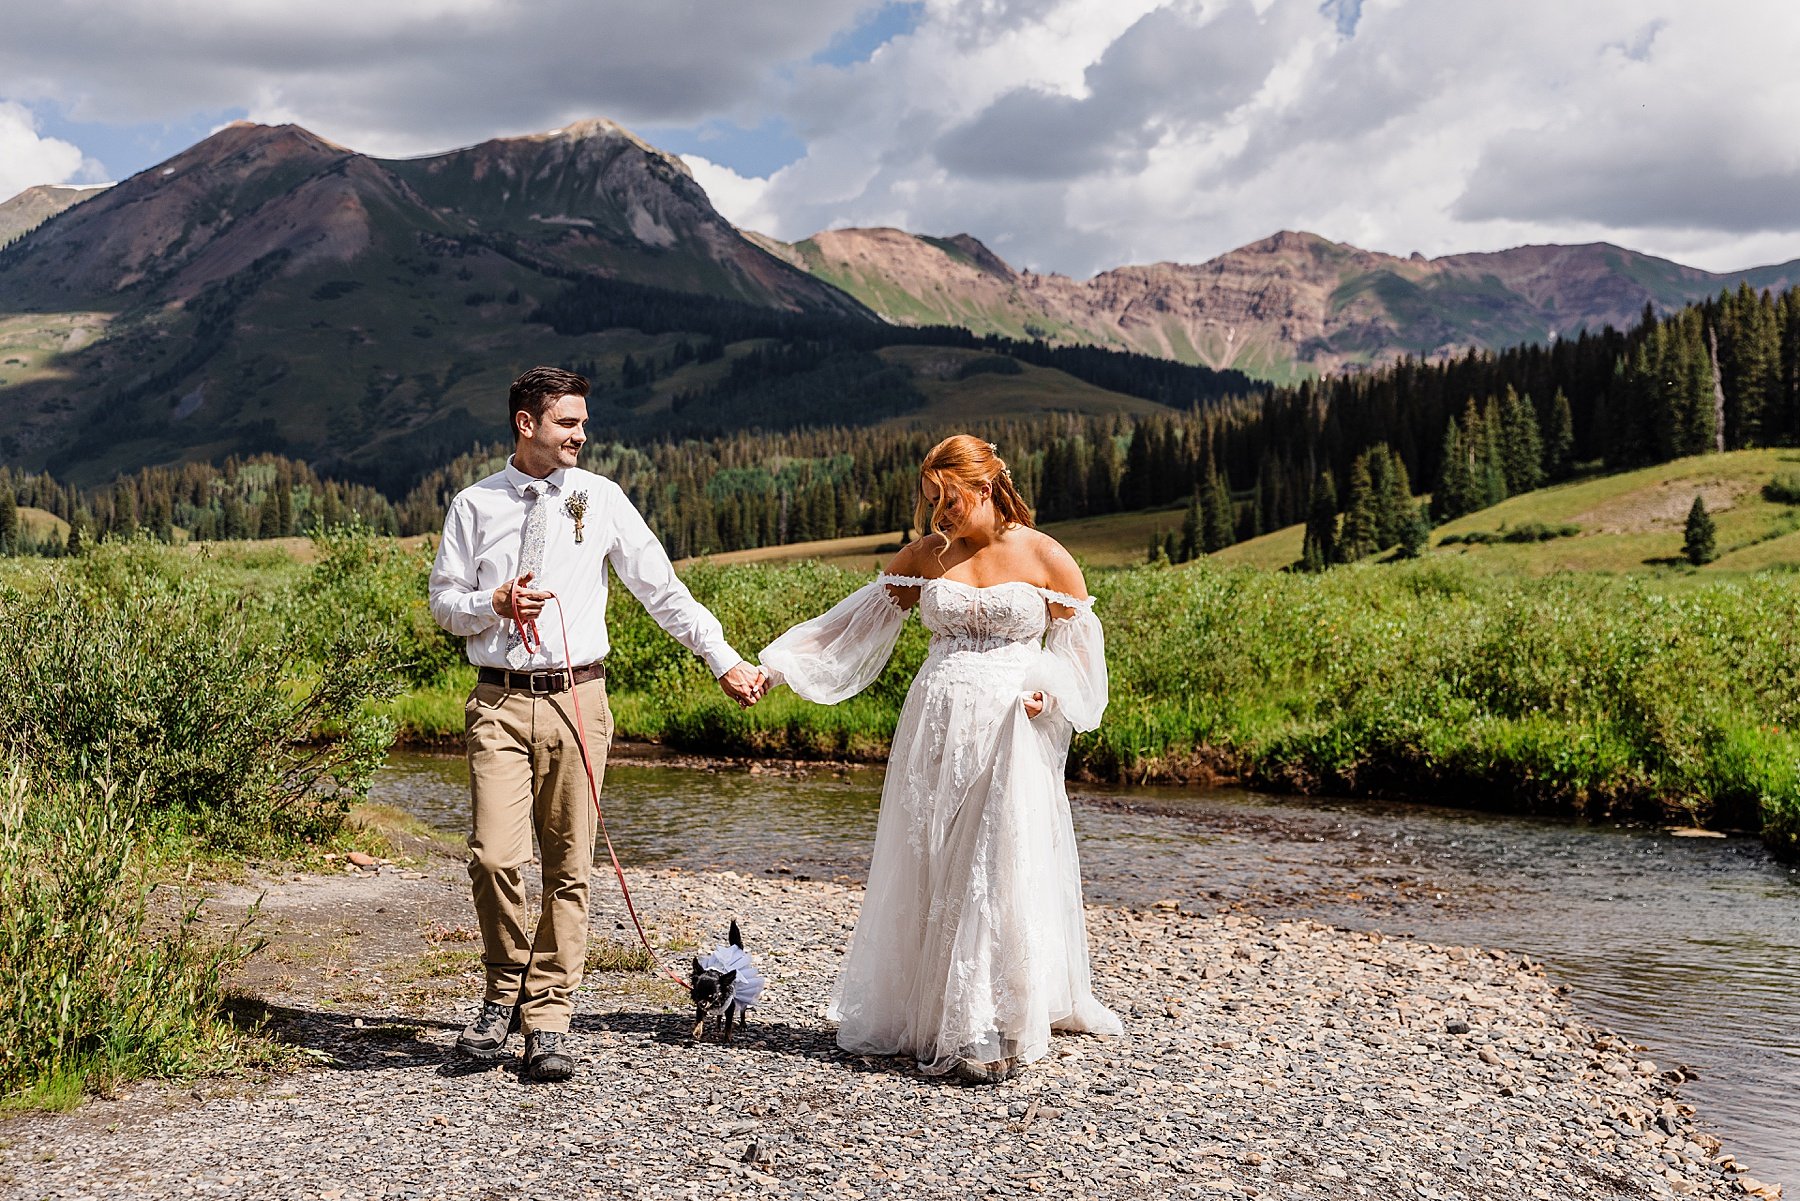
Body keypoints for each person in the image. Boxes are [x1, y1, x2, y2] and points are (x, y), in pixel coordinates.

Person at [428, 366, 766, 1081]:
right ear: (527, 424)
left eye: (583, 422)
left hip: (580, 697)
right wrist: (493, 602)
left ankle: (547, 1018)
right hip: (498, 699)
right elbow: (443, 604)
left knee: (569, 866)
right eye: (568, 423)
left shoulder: (600, 498)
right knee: (493, 855)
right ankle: (501, 991)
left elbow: (662, 590)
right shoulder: (474, 504)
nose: (583, 434)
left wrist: (724, 660)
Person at [758, 434, 1122, 1083]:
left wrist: (1052, 694)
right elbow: (855, 622)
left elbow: (1081, 658)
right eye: (931, 501)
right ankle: (935, 1012)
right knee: (933, 857)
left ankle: (987, 1022)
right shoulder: (928, 555)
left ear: (984, 488)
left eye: (948, 500)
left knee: (994, 862)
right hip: (934, 726)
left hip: (1010, 726)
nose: (939, 515)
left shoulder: (1045, 555)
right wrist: (776, 667)